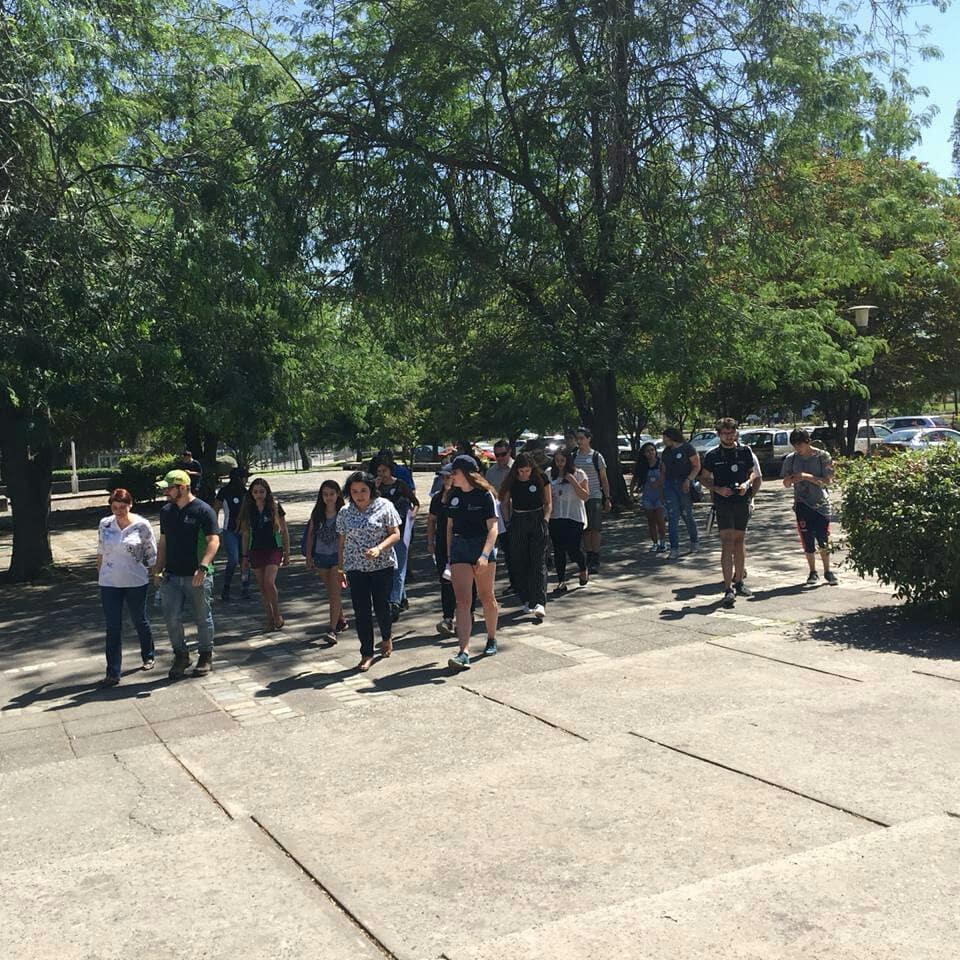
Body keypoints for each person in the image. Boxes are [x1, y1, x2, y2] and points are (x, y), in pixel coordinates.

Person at [152, 469, 220, 678]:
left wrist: (203, 566)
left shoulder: (203, 510)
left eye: (169, 489)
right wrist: (157, 569)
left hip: (197, 575)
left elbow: (213, 541)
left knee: (202, 617)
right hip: (171, 575)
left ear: (182, 487)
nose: (166, 493)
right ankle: (181, 654)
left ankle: (205, 655)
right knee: (171, 617)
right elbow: (163, 542)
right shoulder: (166, 512)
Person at [336, 471, 401, 671]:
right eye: (354, 491)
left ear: (371, 490)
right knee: (361, 610)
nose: (359, 495)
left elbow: (396, 534)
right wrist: (341, 568)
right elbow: (342, 542)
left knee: (382, 606)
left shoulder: (385, 506)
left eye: (363, 490)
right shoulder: (345, 512)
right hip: (356, 567)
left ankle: (387, 637)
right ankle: (366, 653)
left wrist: (379, 548)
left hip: (382, 565)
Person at [96, 488, 158, 686]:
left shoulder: (142, 525)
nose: (119, 511)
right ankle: (113, 670)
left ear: (130, 505)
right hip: (110, 581)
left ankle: (148, 654)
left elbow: (152, 553)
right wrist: (100, 574)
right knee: (113, 626)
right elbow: (100, 551)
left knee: (139, 619)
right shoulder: (105, 524)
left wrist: (156, 574)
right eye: (115, 507)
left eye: (123, 507)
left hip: (135, 580)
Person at [445, 455, 500, 670]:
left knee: (487, 596)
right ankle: (463, 651)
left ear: (468, 474)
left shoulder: (484, 495)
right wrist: (449, 556)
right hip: (460, 548)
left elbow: (493, 528)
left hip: (481, 546)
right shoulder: (453, 496)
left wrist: (485, 555)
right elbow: (450, 527)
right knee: (463, 602)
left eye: (455, 472)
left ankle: (491, 638)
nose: (452, 476)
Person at [700, 419, 758, 608]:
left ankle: (739, 581)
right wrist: (717, 489)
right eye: (725, 433)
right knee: (727, 542)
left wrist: (746, 485)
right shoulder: (712, 454)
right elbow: (704, 478)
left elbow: (752, 473)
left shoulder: (745, 450)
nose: (729, 436)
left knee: (740, 541)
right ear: (718, 434)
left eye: (732, 432)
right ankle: (727, 588)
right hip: (723, 503)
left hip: (741, 501)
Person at [781, 428, 837, 586]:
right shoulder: (791, 459)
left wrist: (807, 477)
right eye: (795, 445)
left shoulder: (822, 456)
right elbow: (785, 483)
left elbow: (828, 481)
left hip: (821, 504)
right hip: (802, 504)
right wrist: (791, 479)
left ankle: (828, 571)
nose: (798, 449)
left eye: (800, 445)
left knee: (823, 538)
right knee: (807, 539)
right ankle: (813, 572)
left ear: (808, 442)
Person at [499, 452, 552, 619]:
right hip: (519, 520)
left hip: (537, 518)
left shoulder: (540, 478)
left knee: (538, 561)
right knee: (520, 561)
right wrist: (507, 522)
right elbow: (505, 502)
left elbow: (548, 502)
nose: (524, 474)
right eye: (521, 471)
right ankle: (526, 599)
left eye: (527, 471)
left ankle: (540, 602)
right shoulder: (512, 480)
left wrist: (545, 519)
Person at [426, 463, 477, 635]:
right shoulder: (437, 498)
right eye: (443, 477)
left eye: (449, 476)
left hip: (461, 542)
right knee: (445, 580)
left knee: (466, 581)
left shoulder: (462, 495)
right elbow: (432, 520)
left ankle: (467, 613)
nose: (446, 480)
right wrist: (430, 541)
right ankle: (448, 616)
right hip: (442, 543)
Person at [238, 477, 290, 632]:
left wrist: (287, 553)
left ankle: (277, 614)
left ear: (267, 492)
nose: (259, 495)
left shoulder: (274, 507)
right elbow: (246, 534)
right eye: (255, 492)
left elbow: (284, 530)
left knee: (269, 582)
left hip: (273, 548)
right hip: (255, 549)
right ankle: (269, 618)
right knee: (262, 587)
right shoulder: (248, 509)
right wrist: (244, 556)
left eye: (262, 491)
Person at [374, 459, 419, 620]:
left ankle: (394, 602)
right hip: (383, 533)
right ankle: (403, 597)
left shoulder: (400, 485)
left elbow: (415, 503)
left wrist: (413, 514)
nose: (382, 475)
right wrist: (376, 488)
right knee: (391, 566)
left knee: (399, 567)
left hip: (401, 529)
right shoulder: (375, 488)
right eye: (379, 472)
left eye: (384, 471)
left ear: (390, 471)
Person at [305, 480, 348, 643]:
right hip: (321, 556)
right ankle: (341, 618)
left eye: (332, 494)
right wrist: (309, 555)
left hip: (338, 557)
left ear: (337, 494)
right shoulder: (317, 513)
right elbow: (310, 535)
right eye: (325, 494)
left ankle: (332, 629)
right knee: (331, 592)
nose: (329, 498)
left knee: (335, 593)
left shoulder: (344, 513)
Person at [547, 448, 589, 591]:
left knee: (573, 548)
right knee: (558, 549)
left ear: (568, 461)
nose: (560, 464)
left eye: (562, 461)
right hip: (556, 516)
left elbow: (585, 496)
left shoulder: (579, 474)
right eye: (557, 461)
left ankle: (583, 568)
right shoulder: (549, 474)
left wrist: (572, 481)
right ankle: (561, 581)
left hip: (574, 516)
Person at [573, 428, 611, 573]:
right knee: (585, 528)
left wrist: (607, 497)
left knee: (595, 528)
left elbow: (603, 478)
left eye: (582, 438)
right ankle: (588, 555)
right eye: (578, 438)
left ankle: (595, 556)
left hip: (594, 494)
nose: (579, 441)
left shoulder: (596, 456)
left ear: (589, 439)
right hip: (579, 496)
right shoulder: (573, 455)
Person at [661, 427, 701, 559]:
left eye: (665, 438)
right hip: (670, 485)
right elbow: (664, 470)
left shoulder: (687, 448)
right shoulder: (666, 452)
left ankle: (694, 542)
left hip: (684, 484)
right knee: (672, 516)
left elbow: (696, 466)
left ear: (672, 437)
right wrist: (662, 488)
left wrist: (689, 480)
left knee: (687, 514)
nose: (664, 441)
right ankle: (674, 548)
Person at [213, 467, 251, 601]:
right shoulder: (224, 492)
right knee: (233, 559)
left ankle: (245, 586)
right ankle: (226, 587)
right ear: (239, 479)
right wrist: (215, 531)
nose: (247, 480)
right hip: (229, 531)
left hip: (245, 531)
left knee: (245, 559)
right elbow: (215, 510)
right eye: (245, 477)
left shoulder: (246, 493)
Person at [485, 439, 516, 593]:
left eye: (503, 454)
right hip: (499, 519)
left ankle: (522, 581)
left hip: (517, 515)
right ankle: (514, 582)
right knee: (508, 553)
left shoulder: (517, 469)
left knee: (519, 552)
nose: (500, 458)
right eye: (497, 455)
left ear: (509, 452)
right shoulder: (491, 472)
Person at [636, 442, 667, 553]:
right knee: (651, 521)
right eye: (648, 451)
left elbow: (664, 478)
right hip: (647, 496)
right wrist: (632, 493)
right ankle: (654, 542)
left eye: (652, 450)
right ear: (644, 454)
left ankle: (663, 541)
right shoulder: (642, 466)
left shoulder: (661, 464)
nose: (651, 453)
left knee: (660, 520)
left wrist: (660, 487)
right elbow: (636, 479)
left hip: (660, 495)